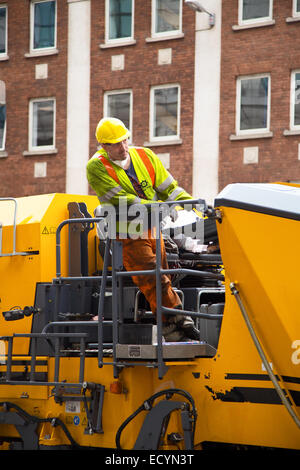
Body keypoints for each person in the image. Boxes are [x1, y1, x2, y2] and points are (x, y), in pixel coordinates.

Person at [86, 117, 200, 342]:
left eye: (125, 140)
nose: (123, 147)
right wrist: (161, 207)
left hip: (153, 227)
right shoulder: (96, 167)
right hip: (127, 232)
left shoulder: (145, 156)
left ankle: (170, 325)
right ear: (104, 146)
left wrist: (194, 203)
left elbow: (170, 188)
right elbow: (124, 201)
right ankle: (177, 316)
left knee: (162, 275)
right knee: (151, 274)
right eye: (116, 144)